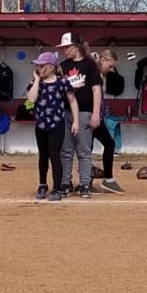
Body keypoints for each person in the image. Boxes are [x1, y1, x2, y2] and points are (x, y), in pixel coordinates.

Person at [26, 51, 79, 201]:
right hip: (41, 124)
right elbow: (31, 99)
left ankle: (57, 188)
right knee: (43, 155)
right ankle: (42, 184)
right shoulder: (36, 82)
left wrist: (75, 121)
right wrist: (36, 81)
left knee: (55, 155)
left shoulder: (62, 82)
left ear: (50, 67)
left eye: (41, 66)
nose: (38, 69)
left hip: (57, 124)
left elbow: (73, 101)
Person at [57, 32, 102, 198]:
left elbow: (96, 90)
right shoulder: (62, 66)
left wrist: (96, 113)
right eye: (63, 48)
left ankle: (84, 183)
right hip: (65, 112)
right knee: (66, 150)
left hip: (84, 111)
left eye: (68, 47)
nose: (65, 51)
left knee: (83, 150)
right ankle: (65, 182)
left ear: (77, 47)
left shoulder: (89, 66)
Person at [90, 49, 125, 194]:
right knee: (89, 148)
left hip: (97, 116)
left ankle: (100, 180)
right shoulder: (92, 72)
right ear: (102, 60)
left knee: (100, 146)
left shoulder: (99, 75)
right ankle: (101, 180)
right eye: (109, 66)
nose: (110, 69)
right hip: (92, 116)